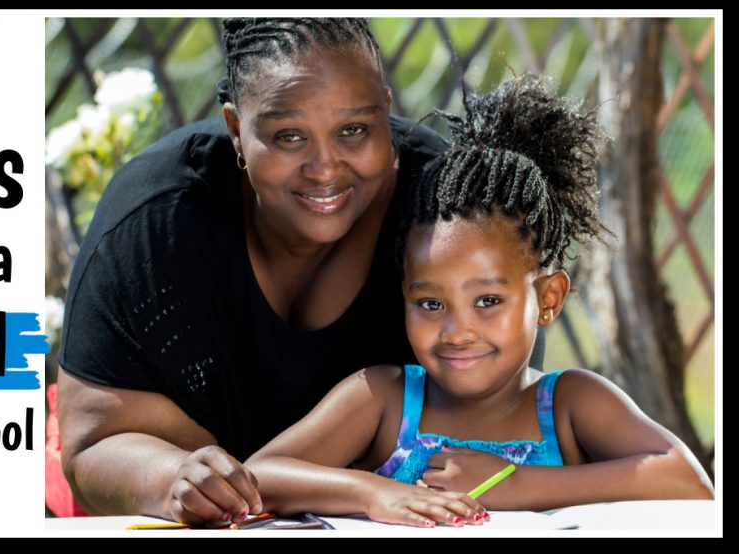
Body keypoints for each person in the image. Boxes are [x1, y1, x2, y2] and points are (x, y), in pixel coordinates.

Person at [55, 18, 533, 526]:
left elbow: (499, 420)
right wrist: (173, 476)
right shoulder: (154, 223)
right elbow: (94, 441)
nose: (325, 168)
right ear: (236, 129)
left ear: (386, 111)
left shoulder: (451, 217)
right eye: (288, 137)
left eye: (354, 130)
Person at [244, 74, 714, 527]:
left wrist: (513, 486)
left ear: (548, 298)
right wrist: (371, 491)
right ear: (403, 297)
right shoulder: (384, 400)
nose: (458, 331)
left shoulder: (569, 403)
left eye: (488, 300)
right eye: (430, 304)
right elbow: (261, 475)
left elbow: (687, 480)